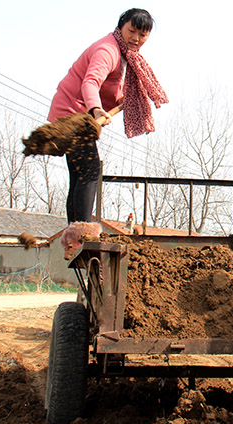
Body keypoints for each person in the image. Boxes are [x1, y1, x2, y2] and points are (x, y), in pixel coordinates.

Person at [48, 8, 168, 257]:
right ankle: (83, 235)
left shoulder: (125, 55)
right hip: (73, 114)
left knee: (80, 174)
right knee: (91, 171)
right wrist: (95, 109)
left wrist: (127, 99)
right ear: (121, 27)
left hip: (72, 113)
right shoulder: (108, 50)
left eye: (142, 34)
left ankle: (74, 236)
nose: (136, 38)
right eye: (131, 31)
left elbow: (110, 89)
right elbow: (90, 82)